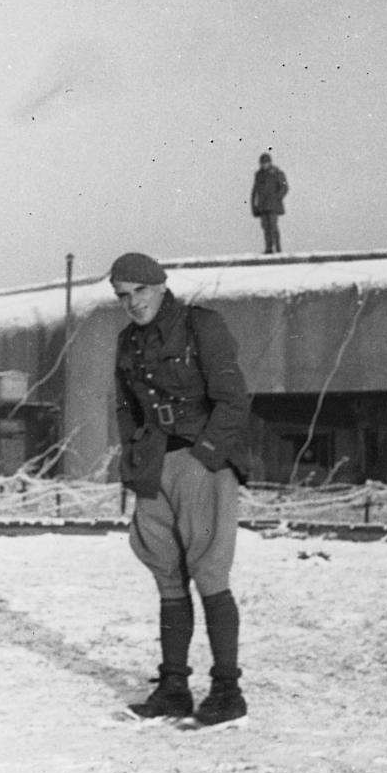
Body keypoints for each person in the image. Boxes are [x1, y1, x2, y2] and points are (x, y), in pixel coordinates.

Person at [109, 251, 252, 726]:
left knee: (210, 573)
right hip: (155, 467)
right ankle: (173, 689)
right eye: (123, 296)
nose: (133, 302)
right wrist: (136, 464)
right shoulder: (128, 342)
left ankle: (227, 691)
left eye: (141, 291)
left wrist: (207, 454)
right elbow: (127, 410)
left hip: (199, 460)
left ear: (160, 286)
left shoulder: (199, 325)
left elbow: (233, 398)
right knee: (167, 576)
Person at [249, 152, 289, 254]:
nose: (264, 165)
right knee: (266, 228)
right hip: (262, 206)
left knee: (273, 227)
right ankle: (269, 248)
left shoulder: (277, 173)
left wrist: (277, 198)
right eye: (262, 163)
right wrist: (254, 206)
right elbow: (255, 190)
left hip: (273, 205)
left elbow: (284, 187)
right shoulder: (258, 175)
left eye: (266, 162)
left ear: (270, 163)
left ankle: (278, 249)